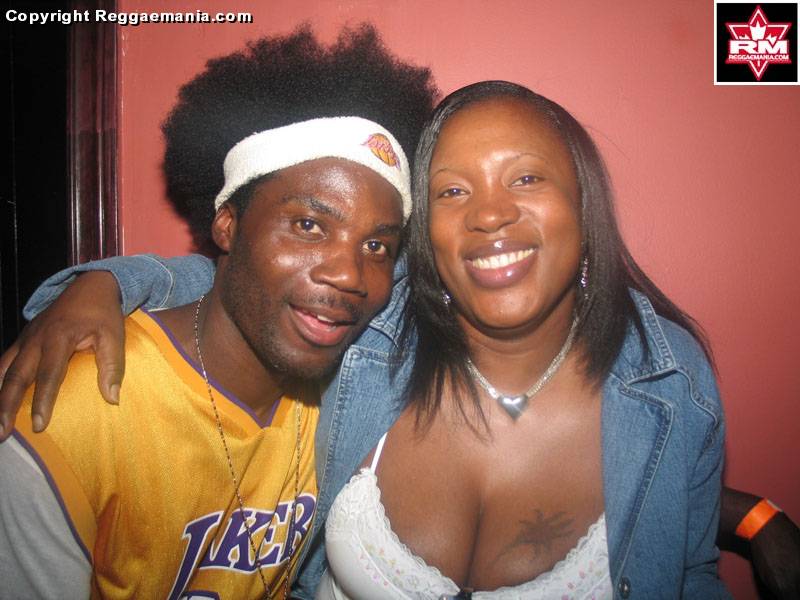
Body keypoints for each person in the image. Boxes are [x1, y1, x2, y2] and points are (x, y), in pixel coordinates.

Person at [2, 84, 799, 598]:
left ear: (582, 203)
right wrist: (102, 283)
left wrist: (756, 517)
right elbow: (244, 284)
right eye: (452, 190)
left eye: (526, 177)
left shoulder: (668, 384)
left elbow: (665, 521)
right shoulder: (368, 348)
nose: (490, 213)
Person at [0, 25, 436, 598]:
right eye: (309, 225)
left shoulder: (345, 391)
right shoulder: (73, 413)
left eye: (376, 245)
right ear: (227, 225)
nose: (350, 275)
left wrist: (112, 279)